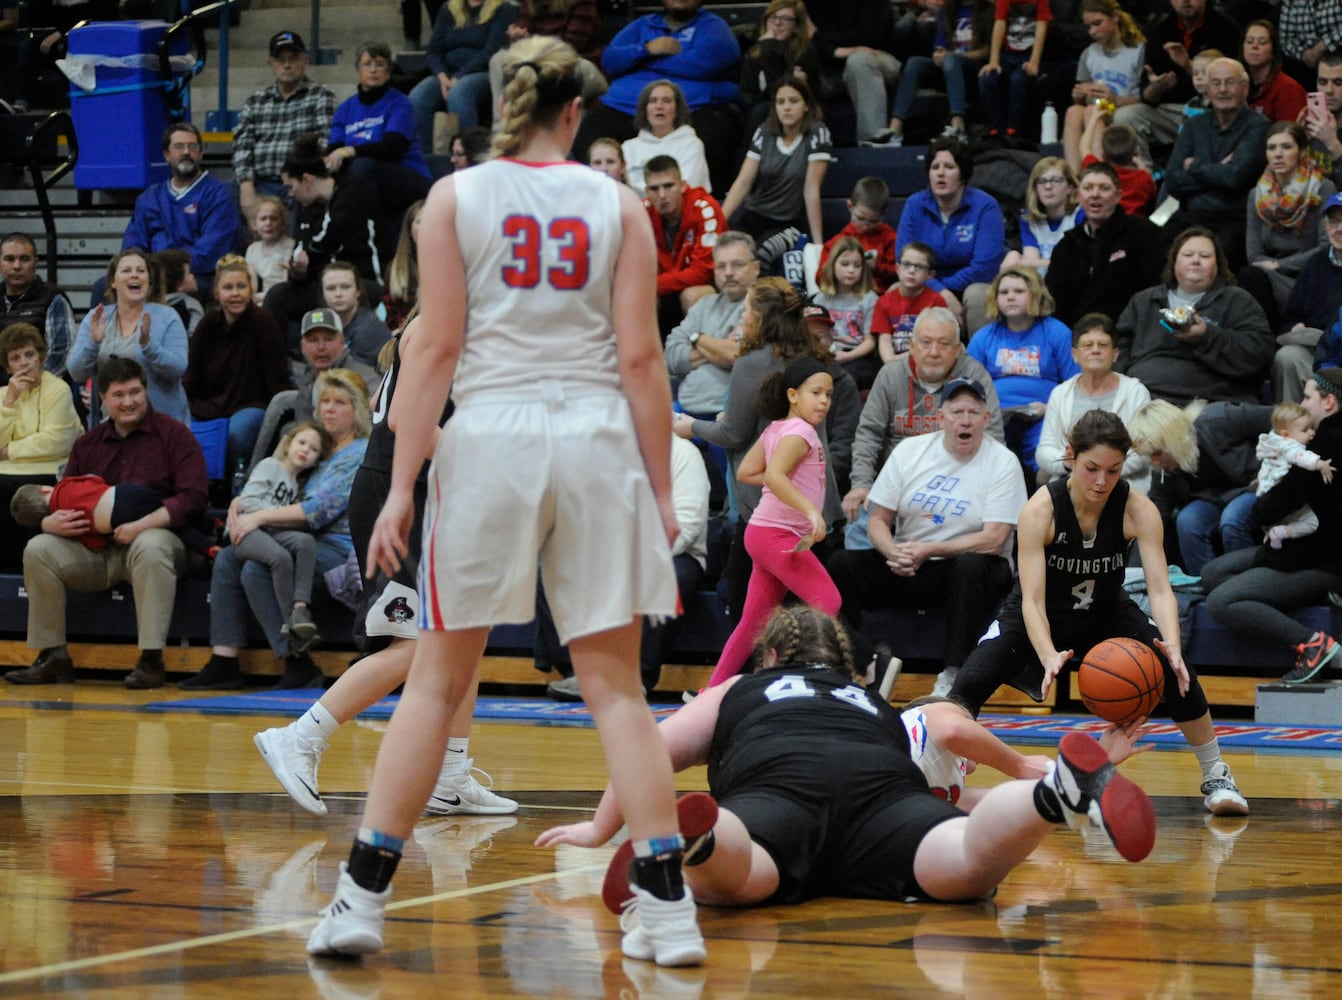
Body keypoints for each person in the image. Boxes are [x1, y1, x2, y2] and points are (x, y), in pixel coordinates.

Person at [307, 38, 705, 966]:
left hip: (492, 436)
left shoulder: (454, 197)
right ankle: (669, 910)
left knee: (439, 680)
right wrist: (657, 488)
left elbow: (433, 350)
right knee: (615, 688)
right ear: (574, 115)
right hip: (598, 435)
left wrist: (401, 482)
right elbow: (644, 361)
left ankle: (362, 899)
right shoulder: (617, 204)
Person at [537, 605, 1160, 914]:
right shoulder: (870, 701)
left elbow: (647, 751)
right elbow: (943, 789)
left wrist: (600, 828)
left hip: (775, 791)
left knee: (744, 876)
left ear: (771, 659)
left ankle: (699, 841)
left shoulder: (737, 690)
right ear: (844, 666)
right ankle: (1053, 794)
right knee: (965, 862)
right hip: (882, 795)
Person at [248, 314, 520, 819]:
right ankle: (300, 738)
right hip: (401, 494)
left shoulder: (464, 325)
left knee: (466, 635)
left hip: (440, 494)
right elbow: (400, 417)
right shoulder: (442, 325)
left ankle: (451, 777)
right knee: (417, 644)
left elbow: (379, 401)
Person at [949, 409, 1250, 816]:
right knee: (967, 687)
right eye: (1092, 468)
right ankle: (944, 775)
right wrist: (1047, 653)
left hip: (1107, 612)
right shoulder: (1041, 511)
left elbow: (1160, 589)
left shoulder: (1136, 508)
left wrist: (1173, 645)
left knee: (1176, 673)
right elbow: (1033, 600)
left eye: (1113, 470)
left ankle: (1217, 774)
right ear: (1071, 456)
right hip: (1039, 615)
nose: (1101, 481)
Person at [4, 357, 208, 689]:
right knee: (39, 548)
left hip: (158, 539)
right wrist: (49, 523)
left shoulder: (175, 435)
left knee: (151, 545)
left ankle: (151, 659)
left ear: (145, 390)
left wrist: (142, 525)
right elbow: (63, 494)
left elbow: (194, 498)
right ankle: (53, 655)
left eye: (135, 392)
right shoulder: (87, 444)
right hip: (95, 550)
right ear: (103, 398)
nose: (129, 401)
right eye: (119, 395)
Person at [674, 278, 860, 618]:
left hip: (773, 502)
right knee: (796, 602)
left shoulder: (754, 362)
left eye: (746, 310)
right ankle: (861, 660)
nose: (741, 318)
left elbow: (734, 433)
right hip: (813, 496)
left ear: (761, 318)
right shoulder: (810, 357)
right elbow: (771, 422)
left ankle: (865, 659)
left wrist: (692, 426)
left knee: (758, 603)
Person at [829, 377, 1027, 695]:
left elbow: (995, 538)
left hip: (973, 568)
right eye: (957, 412)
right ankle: (859, 664)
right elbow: (878, 520)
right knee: (840, 564)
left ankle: (954, 676)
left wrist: (930, 548)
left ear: (986, 419)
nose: (965, 420)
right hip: (911, 562)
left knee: (970, 566)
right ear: (940, 418)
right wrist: (892, 551)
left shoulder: (1002, 461)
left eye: (974, 413)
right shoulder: (911, 451)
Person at [204, 369, 371, 692]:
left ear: (358, 411)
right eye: (325, 402)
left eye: (339, 402)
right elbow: (282, 487)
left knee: (257, 569)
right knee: (227, 557)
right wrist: (246, 501)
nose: (329, 409)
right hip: (301, 539)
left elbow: (317, 512)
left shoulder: (359, 452)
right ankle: (224, 659)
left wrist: (259, 517)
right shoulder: (318, 450)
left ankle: (297, 660)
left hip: (338, 548)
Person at [703, 357, 840, 690]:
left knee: (753, 623)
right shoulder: (801, 432)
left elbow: (747, 472)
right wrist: (809, 509)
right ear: (793, 395)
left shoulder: (775, 428)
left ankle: (710, 692)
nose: (823, 400)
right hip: (777, 535)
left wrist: (786, 481)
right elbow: (775, 477)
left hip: (763, 534)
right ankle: (814, 678)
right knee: (827, 600)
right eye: (816, 392)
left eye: (828, 394)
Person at [1202, 369, 1342, 684]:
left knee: (1221, 601)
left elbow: (1272, 506)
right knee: (1213, 574)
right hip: (1303, 548)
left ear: (1329, 401)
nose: (1303, 404)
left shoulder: (1327, 443)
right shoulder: (1321, 441)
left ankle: (1313, 644)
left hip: (1319, 559)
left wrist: (1262, 506)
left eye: (1308, 397)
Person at [548, 432, 710, 700]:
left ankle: (636, 678)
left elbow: (686, 525)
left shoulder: (682, 454)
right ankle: (580, 673)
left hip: (673, 552)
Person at [845, 308, 1004, 547]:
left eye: (944, 344)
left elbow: (993, 440)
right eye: (926, 342)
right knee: (859, 530)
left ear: (958, 349)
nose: (933, 352)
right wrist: (861, 483)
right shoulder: (890, 375)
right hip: (896, 484)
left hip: (956, 484)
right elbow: (869, 434)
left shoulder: (974, 376)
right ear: (911, 345)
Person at [571, 0, 743, 197]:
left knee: (716, 134)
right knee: (589, 131)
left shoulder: (713, 27)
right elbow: (610, 60)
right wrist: (648, 49)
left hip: (690, 109)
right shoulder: (643, 25)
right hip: (625, 107)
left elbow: (705, 64)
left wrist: (643, 62)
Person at [1116, 227, 1274, 407]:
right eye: (1188, 254)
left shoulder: (1237, 300)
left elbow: (1260, 353)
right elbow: (1119, 349)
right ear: (1174, 261)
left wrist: (1207, 336)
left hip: (1210, 402)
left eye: (1205, 256)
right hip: (1145, 399)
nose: (1196, 261)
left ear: (1218, 265)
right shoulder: (1143, 301)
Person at [264, 133, 382, 349]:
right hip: (323, 283)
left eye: (291, 186)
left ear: (307, 179)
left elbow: (325, 239)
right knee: (277, 296)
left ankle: (333, 360)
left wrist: (307, 256)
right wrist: (297, 271)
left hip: (362, 282)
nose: (291, 194)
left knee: (331, 293)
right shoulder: (308, 209)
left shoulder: (352, 191)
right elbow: (301, 251)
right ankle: (279, 369)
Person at [1127, 397, 1271, 575]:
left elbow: (1283, 419)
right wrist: (1132, 572)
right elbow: (1153, 518)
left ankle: (1245, 585)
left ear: (1174, 437)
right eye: (1149, 456)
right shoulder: (1165, 470)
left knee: (1232, 519)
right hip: (1210, 499)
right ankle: (1204, 588)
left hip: (1254, 485)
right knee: (1188, 521)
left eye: (1157, 453)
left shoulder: (1220, 418)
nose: (1155, 462)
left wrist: (1272, 467)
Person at [967, 267, 1080, 478]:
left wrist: (1050, 409)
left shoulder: (1056, 331)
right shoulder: (984, 337)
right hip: (995, 416)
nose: (1010, 297)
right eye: (1004, 292)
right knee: (983, 458)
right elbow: (968, 385)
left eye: (1019, 291)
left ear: (1036, 294)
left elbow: (1077, 384)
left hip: (1042, 414)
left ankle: (1046, 502)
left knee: (1048, 457)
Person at [328, 42, 435, 265]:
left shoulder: (400, 103)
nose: (374, 69)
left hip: (407, 177)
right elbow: (333, 152)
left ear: (388, 72)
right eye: (368, 64)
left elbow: (392, 147)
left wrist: (351, 150)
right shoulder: (345, 109)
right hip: (367, 183)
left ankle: (373, 245)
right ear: (358, 69)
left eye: (380, 65)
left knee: (362, 166)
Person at [228, 421, 330, 651]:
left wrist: (273, 519)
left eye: (313, 449)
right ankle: (290, 622)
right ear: (288, 443)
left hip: (268, 530)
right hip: (246, 531)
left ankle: (300, 609)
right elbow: (249, 503)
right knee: (280, 557)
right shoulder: (271, 466)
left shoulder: (297, 486)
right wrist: (272, 516)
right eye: (302, 442)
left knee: (305, 542)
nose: (305, 450)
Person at [185, 255, 292, 472]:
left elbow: (277, 376)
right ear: (217, 292)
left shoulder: (263, 321)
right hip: (209, 404)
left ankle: (235, 487)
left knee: (236, 432)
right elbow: (192, 375)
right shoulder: (207, 324)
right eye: (228, 287)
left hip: (252, 404)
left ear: (251, 290)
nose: (235, 293)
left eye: (241, 286)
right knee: (183, 427)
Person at [1162, 58, 1269, 271]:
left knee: (1216, 255)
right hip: (1190, 215)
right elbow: (1173, 179)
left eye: (1230, 82)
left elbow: (1235, 178)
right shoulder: (1194, 125)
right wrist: (1219, 168)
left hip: (1233, 218)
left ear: (1245, 88)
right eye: (1216, 83)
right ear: (1207, 90)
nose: (1223, 90)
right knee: (1158, 245)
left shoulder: (1258, 126)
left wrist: (1194, 167)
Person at [120, 123, 245, 302]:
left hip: (198, 276)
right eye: (179, 147)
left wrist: (171, 274)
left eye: (192, 147)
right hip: (153, 276)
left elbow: (210, 252)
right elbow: (133, 246)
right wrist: (145, 272)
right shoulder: (150, 197)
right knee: (104, 286)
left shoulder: (218, 194)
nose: (186, 152)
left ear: (201, 153)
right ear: (166, 155)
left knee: (194, 290)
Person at [896, 137, 1005, 335]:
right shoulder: (915, 204)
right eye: (934, 167)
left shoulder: (985, 206)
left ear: (962, 173)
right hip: (924, 282)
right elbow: (903, 258)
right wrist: (941, 292)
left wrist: (945, 289)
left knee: (978, 295)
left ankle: (979, 361)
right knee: (895, 290)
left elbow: (985, 267)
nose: (940, 173)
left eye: (948, 166)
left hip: (971, 284)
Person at [69, 249, 190, 427]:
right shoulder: (97, 317)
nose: (135, 275)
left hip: (161, 428)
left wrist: (149, 346)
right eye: (126, 270)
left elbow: (178, 368)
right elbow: (76, 372)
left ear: (149, 282)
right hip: (109, 426)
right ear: (112, 282)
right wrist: (93, 343)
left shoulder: (167, 316)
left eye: (141, 271)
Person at [1237, 121, 1336, 336]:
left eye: (1286, 147)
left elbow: (1326, 245)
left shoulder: (1322, 188)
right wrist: (1273, 268)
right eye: (1272, 148)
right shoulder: (1257, 194)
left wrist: (1279, 265)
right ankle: (1266, 342)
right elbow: (1253, 253)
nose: (1278, 154)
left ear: (1301, 151)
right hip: (1270, 276)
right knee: (1249, 275)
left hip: (1311, 275)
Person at [719, 78, 831, 265]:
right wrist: (717, 223)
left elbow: (811, 189)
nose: (786, 107)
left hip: (790, 222)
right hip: (754, 215)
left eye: (793, 101)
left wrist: (819, 244)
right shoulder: (764, 131)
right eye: (781, 102)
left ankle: (759, 295)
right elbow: (743, 182)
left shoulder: (817, 133)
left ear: (806, 106)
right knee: (732, 255)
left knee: (760, 254)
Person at [248, 307, 377, 471]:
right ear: (302, 346)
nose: (321, 347)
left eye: (328, 339)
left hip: (351, 456)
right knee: (287, 431)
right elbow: (304, 424)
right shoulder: (308, 378)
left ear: (342, 341)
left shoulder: (364, 377)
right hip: (318, 446)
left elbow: (371, 430)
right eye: (313, 340)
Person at [232, 30, 337, 222]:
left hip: (301, 182)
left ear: (306, 60)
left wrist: (299, 181)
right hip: (260, 183)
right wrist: (246, 186)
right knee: (227, 195)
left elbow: (325, 141)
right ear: (271, 65)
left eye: (293, 58)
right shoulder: (256, 100)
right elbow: (242, 146)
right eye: (280, 59)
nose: (287, 65)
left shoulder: (321, 95)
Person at [1035, 313, 1151, 485]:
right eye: (1088, 345)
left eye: (1103, 345)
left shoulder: (1136, 392)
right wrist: (1073, 466)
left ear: (1115, 353)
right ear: (1075, 354)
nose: (1095, 350)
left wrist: (1102, 471)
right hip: (1069, 483)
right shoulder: (1060, 393)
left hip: (1123, 484)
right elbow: (1044, 450)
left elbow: (1142, 451)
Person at [1112, 0, 1239, 156]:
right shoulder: (1160, 29)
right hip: (1173, 111)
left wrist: (1189, 67)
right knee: (1126, 116)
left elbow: (1232, 84)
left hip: (1212, 110)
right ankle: (1143, 176)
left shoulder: (1226, 28)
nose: (1185, 1)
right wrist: (1156, 87)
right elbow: (1147, 96)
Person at [0, 322, 80, 568]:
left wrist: (9, 451)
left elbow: (55, 441)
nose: (24, 363)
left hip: (51, 469)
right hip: (8, 470)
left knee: (12, 487)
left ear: (41, 357)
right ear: (7, 366)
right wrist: (9, 403)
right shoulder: (3, 394)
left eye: (29, 354)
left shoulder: (59, 390)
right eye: (15, 358)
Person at [1045, 161, 1164, 326]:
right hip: (1079, 341)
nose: (1095, 194)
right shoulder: (1066, 247)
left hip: (1129, 335)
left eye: (1104, 188)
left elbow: (1157, 291)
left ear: (1118, 196)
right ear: (1078, 196)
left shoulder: (1144, 234)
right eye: (1088, 188)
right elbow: (1056, 308)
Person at [878, 0, 994, 148]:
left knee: (951, 59)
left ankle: (958, 127)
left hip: (974, 71)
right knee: (915, 63)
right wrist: (938, 55)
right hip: (948, 70)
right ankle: (894, 130)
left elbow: (986, 51)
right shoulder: (947, 10)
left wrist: (953, 56)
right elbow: (940, 46)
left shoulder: (988, 10)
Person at [411, 0, 518, 151]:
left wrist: (458, 76)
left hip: (482, 73)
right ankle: (426, 160)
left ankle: (470, 154)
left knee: (459, 93)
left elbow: (491, 51)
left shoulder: (503, 9)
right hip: (447, 74)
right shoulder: (448, 8)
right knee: (418, 97)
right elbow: (434, 50)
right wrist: (442, 77)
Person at [643, 155, 724, 331]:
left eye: (668, 186)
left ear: (682, 185)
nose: (662, 195)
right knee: (639, 296)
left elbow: (702, 272)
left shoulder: (705, 208)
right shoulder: (641, 213)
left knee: (692, 295)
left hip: (708, 285)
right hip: (666, 285)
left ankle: (705, 356)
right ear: (646, 191)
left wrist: (652, 283)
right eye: (654, 189)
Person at [1061, 0, 1145, 170]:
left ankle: (1101, 172)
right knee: (1073, 111)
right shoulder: (1090, 53)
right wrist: (1080, 96)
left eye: (1098, 24)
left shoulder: (1138, 51)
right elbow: (1084, 97)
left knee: (1093, 112)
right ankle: (1075, 177)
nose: (1092, 31)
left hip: (1123, 108)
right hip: (1096, 109)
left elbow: (1147, 98)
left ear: (1114, 16)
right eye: (1088, 27)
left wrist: (1115, 99)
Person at [1275, 192, 1342, 402]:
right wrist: (1294, 327)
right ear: (1325, 226)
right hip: (1315, 352)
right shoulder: (1315, 264)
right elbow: (1291, 316)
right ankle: (1290, 428)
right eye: (1334, 222)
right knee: (1287, 356)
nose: (1339, 229)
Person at [486, 0, 606, 115]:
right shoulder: (529, 3)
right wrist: (518, 36)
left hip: (575, 60)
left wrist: (531, 42)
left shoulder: (582, 3)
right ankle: (501, 128)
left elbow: (573, 44)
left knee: (565, 69)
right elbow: (524, 30)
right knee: (499, 59)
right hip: (537, 55)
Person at [809, 2, 900, 148]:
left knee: (859, 60)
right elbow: (809, 39)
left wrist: (825, 41)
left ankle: (873, 143)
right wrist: (838, 51)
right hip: (832, 65)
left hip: (879, 58)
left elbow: (870, 35)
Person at [1253, 401, 1335, 548]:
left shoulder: (1273, 441)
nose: (1312, 432)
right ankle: (1281, 533)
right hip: (1276, 493)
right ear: (1286, 434)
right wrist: (1320, 464)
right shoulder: (1290, 445)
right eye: (1305, 430)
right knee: (1311, 522)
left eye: (1311, 428)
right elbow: (1299, 456)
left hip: (1266, 491)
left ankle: (1272, 534)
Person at [1, 233, 73, 377]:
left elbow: (60, 355)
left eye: (24, 259)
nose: (17, 266)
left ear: (35, 262)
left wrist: (31, 386)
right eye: (9, 259)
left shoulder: (53, 298)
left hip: (39, 391)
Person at [977, 0, 1052, 141]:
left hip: (1029, 55)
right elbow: (999, 24)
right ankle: (996, 129)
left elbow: (1041, 29)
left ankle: (1013, 129)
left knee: (1018, 79)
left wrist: (1034, 62)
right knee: (987, 79)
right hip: (1008, 56)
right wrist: (993, 61)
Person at [621, 80, 711, 197]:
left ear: (677, 109)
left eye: (667, 101)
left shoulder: (691, 144)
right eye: (653, 101)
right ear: (645, 109)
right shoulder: (628, 147)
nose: (659, 106)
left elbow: (689, 186)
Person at [813, 237, 879, 389]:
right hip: (827, 354)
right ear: (832, 264)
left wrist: (848, 356)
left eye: (857, 266)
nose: (851, 270)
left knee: (847, 378)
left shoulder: (869, 299)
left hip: (857, 355)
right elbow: (814, 337)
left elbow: (870, 341)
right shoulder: (821, 299)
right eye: (845, 264)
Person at [739, 1, 821, 122]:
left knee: (763, 110)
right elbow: (747, 94)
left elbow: (782, 94)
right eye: (772, 17)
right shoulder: (755, 52)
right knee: (760, 111)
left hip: (799, 112)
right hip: (759, 111)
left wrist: (770, 48)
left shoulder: (805, 52)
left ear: (797, 26)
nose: (777, 23)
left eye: (786, 19)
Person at [815, 177, 898, 295]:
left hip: (879, 300)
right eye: (860, 218)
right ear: (850, 206)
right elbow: (820, 278)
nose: (866, 226)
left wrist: (877, 267)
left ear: (884, 215)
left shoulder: (890, 239)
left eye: (873, 221)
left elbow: (901, 273)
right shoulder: (837, 242)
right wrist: (839, 268)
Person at [1001, 158, 1083, 275]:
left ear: (1070, 187)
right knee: (1012, 257)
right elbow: (1031, 265)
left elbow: (1074, 263)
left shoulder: (1080, 215)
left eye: (1056, 180)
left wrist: (1025, 261)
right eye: (1041, 181)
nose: (1048, 186)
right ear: (1035, 189)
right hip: (1041, 282)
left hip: (1072, 282)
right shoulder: (1028, 218)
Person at [870, 242, 947, 362]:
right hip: (893, 362)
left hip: (926, 360)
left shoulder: (937, 302)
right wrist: (891, 361)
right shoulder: (883, 302)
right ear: (897, 268)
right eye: (906, 264)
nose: (911, 271)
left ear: (930, 275)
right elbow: (884, 341)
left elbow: (937, 342)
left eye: (919, 267)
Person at [1074, 117, 1157, 216]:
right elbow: (1153, 191)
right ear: (1136, 150)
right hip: (1134, 227)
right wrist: (1139, 162)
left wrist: (1094, 118)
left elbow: (1084, 147)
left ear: (1103, 155)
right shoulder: (1143, 178)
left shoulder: (1096, 172)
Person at [318, 260, 391, 369]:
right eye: (331, 288)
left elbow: (359, 377)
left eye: (345, 287)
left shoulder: (368, 329)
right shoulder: (325, 324)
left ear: (358, 291)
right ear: (323, 294)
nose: (338, 294)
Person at [1243, 19, 1307, 125]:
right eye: (1249, 41)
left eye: (1262, 42)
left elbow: (1292, 133)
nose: (1254, 46)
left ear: (1273, 51)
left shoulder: (1288, 89)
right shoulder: (1239, 85)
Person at [1300, 51, 1342, 187]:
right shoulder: (1308, 125)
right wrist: (1298, 140)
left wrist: (1333, 144)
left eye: (1338, 82)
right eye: (1323, 82)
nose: (1329, 90)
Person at [244, 196, 295, 305]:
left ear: (282, 223)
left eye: (274, 218)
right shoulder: (252, 249)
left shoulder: (289, 245)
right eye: (263, 219)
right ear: (254, 225)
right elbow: (252, 283)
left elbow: (287, 283)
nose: (268, 223)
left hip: (283, 297)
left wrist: (263, 297)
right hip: (260, 298)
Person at [382, 200, 423, 333]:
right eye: (419, 221)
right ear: (410, 229)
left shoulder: (456, 263)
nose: (426, 226)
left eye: (432, 220)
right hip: (407, 337)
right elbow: (392, 316)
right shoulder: (395, 268)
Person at [153, 249, 203, 337]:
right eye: (189, 273)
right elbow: (196, 338)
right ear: (178, 284)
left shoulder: (148, 305)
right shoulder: (191, 306)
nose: (193, 275)